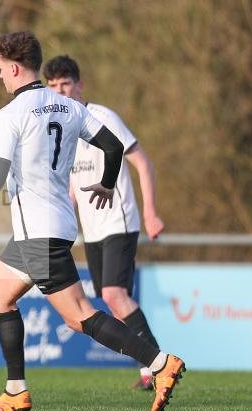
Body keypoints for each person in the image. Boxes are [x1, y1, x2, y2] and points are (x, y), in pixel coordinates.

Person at [0, 31, 184, 411]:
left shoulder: (10, 115)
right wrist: (108, 184)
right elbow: (112, 147)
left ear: (13, 68)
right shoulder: (68, 107)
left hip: (38, 234)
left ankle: (159, 363)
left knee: (79, 317)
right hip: (48, 227)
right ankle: (15, 389)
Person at [44, 55, 166, 390]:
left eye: (65, 83)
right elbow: (69, 187)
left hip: (119, 221)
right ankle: (152, 368)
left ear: (79, 85)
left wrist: (151, 212)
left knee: (113, 295)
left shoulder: (102, 117)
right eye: (52, 86)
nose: (60, 91)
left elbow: (142, 162)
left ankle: (157, 367)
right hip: (92, 231)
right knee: (113, 299)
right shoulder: (61, 129)